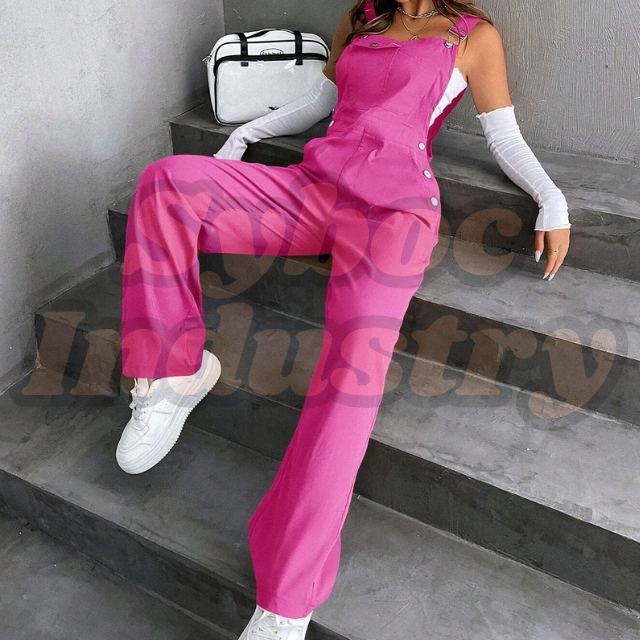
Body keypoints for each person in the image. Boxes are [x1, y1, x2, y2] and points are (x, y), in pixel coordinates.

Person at [117, 1, 572, 638]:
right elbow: (321, 100)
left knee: (350, 379)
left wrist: (551, 198)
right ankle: (173, 373)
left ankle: (286, 600)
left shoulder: (472, 37)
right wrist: (244, 138)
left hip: (394, 215)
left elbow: (503, 137)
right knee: (166, 182)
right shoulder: (363, 17)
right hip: (314, 189)